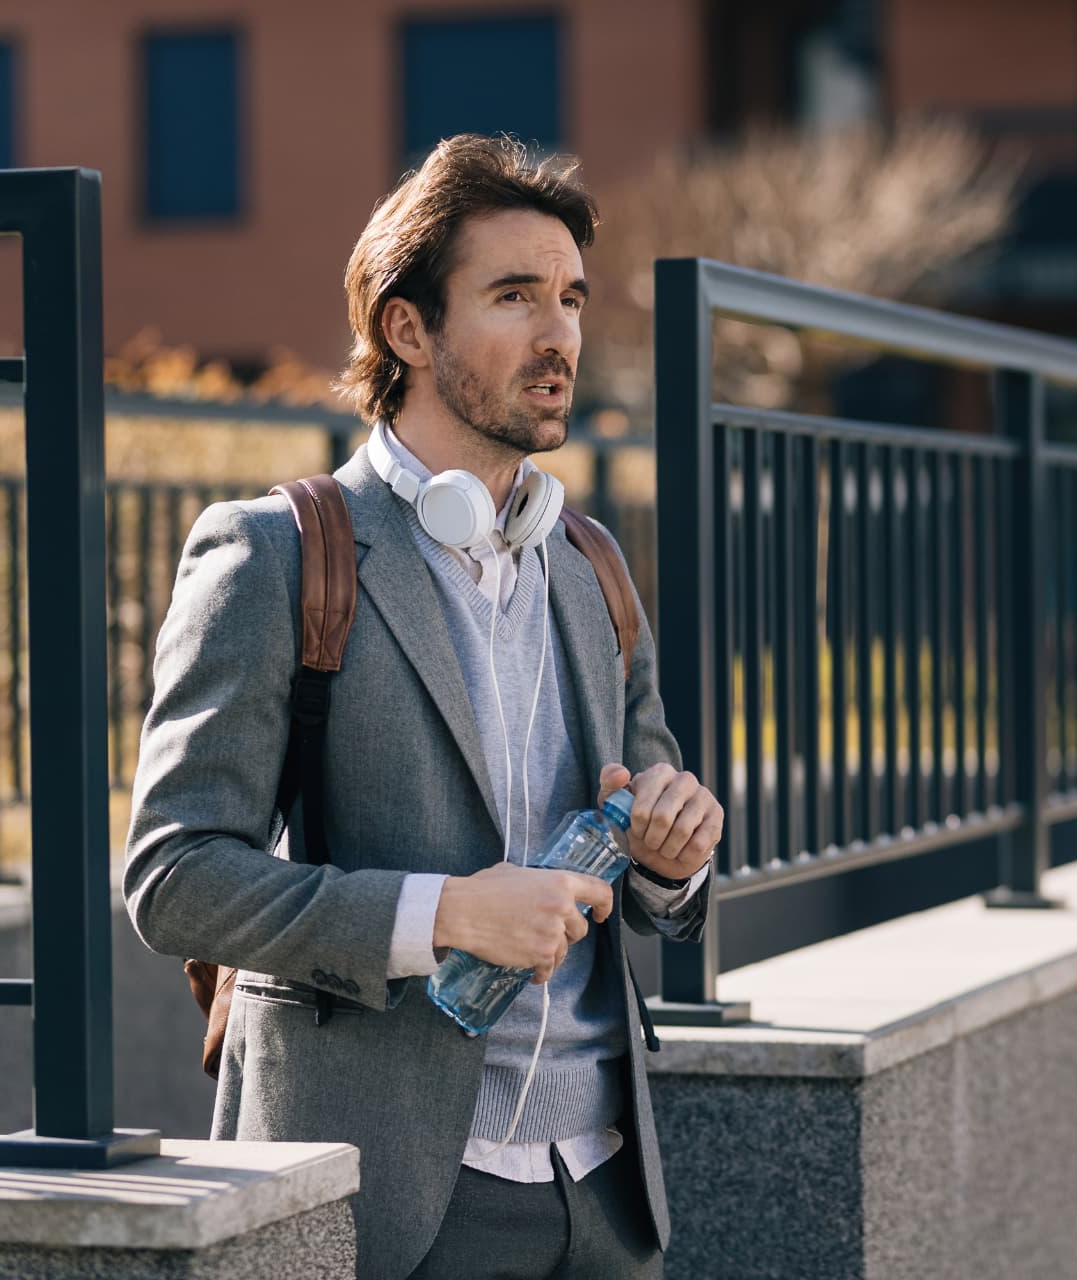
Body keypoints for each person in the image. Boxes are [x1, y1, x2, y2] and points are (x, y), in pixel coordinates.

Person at [123, 133, 721, 1280]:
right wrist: (443, 911)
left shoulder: (588, 562)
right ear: (408, 329)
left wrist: (674, 853)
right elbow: (175, 876)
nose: (561, 336)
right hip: (392, 1198)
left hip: (606, 1190)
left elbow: (656, 873)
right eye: (513, 296)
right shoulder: (273, 555)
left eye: (571, 299)